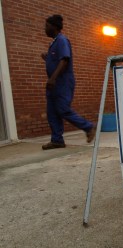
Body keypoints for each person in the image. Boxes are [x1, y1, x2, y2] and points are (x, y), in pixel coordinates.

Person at [41, 15, 95, 150]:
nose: (45, 28)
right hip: (54, 84)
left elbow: (64, 60)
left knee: (62, 109)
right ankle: (57, 140)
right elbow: (57, 59)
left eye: (47, 25)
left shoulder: (62, 40)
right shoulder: (54, 43)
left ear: (54, 26)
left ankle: (88, 127)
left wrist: (53, 78)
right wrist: (47, 58)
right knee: (52, 112)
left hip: (62, 83)